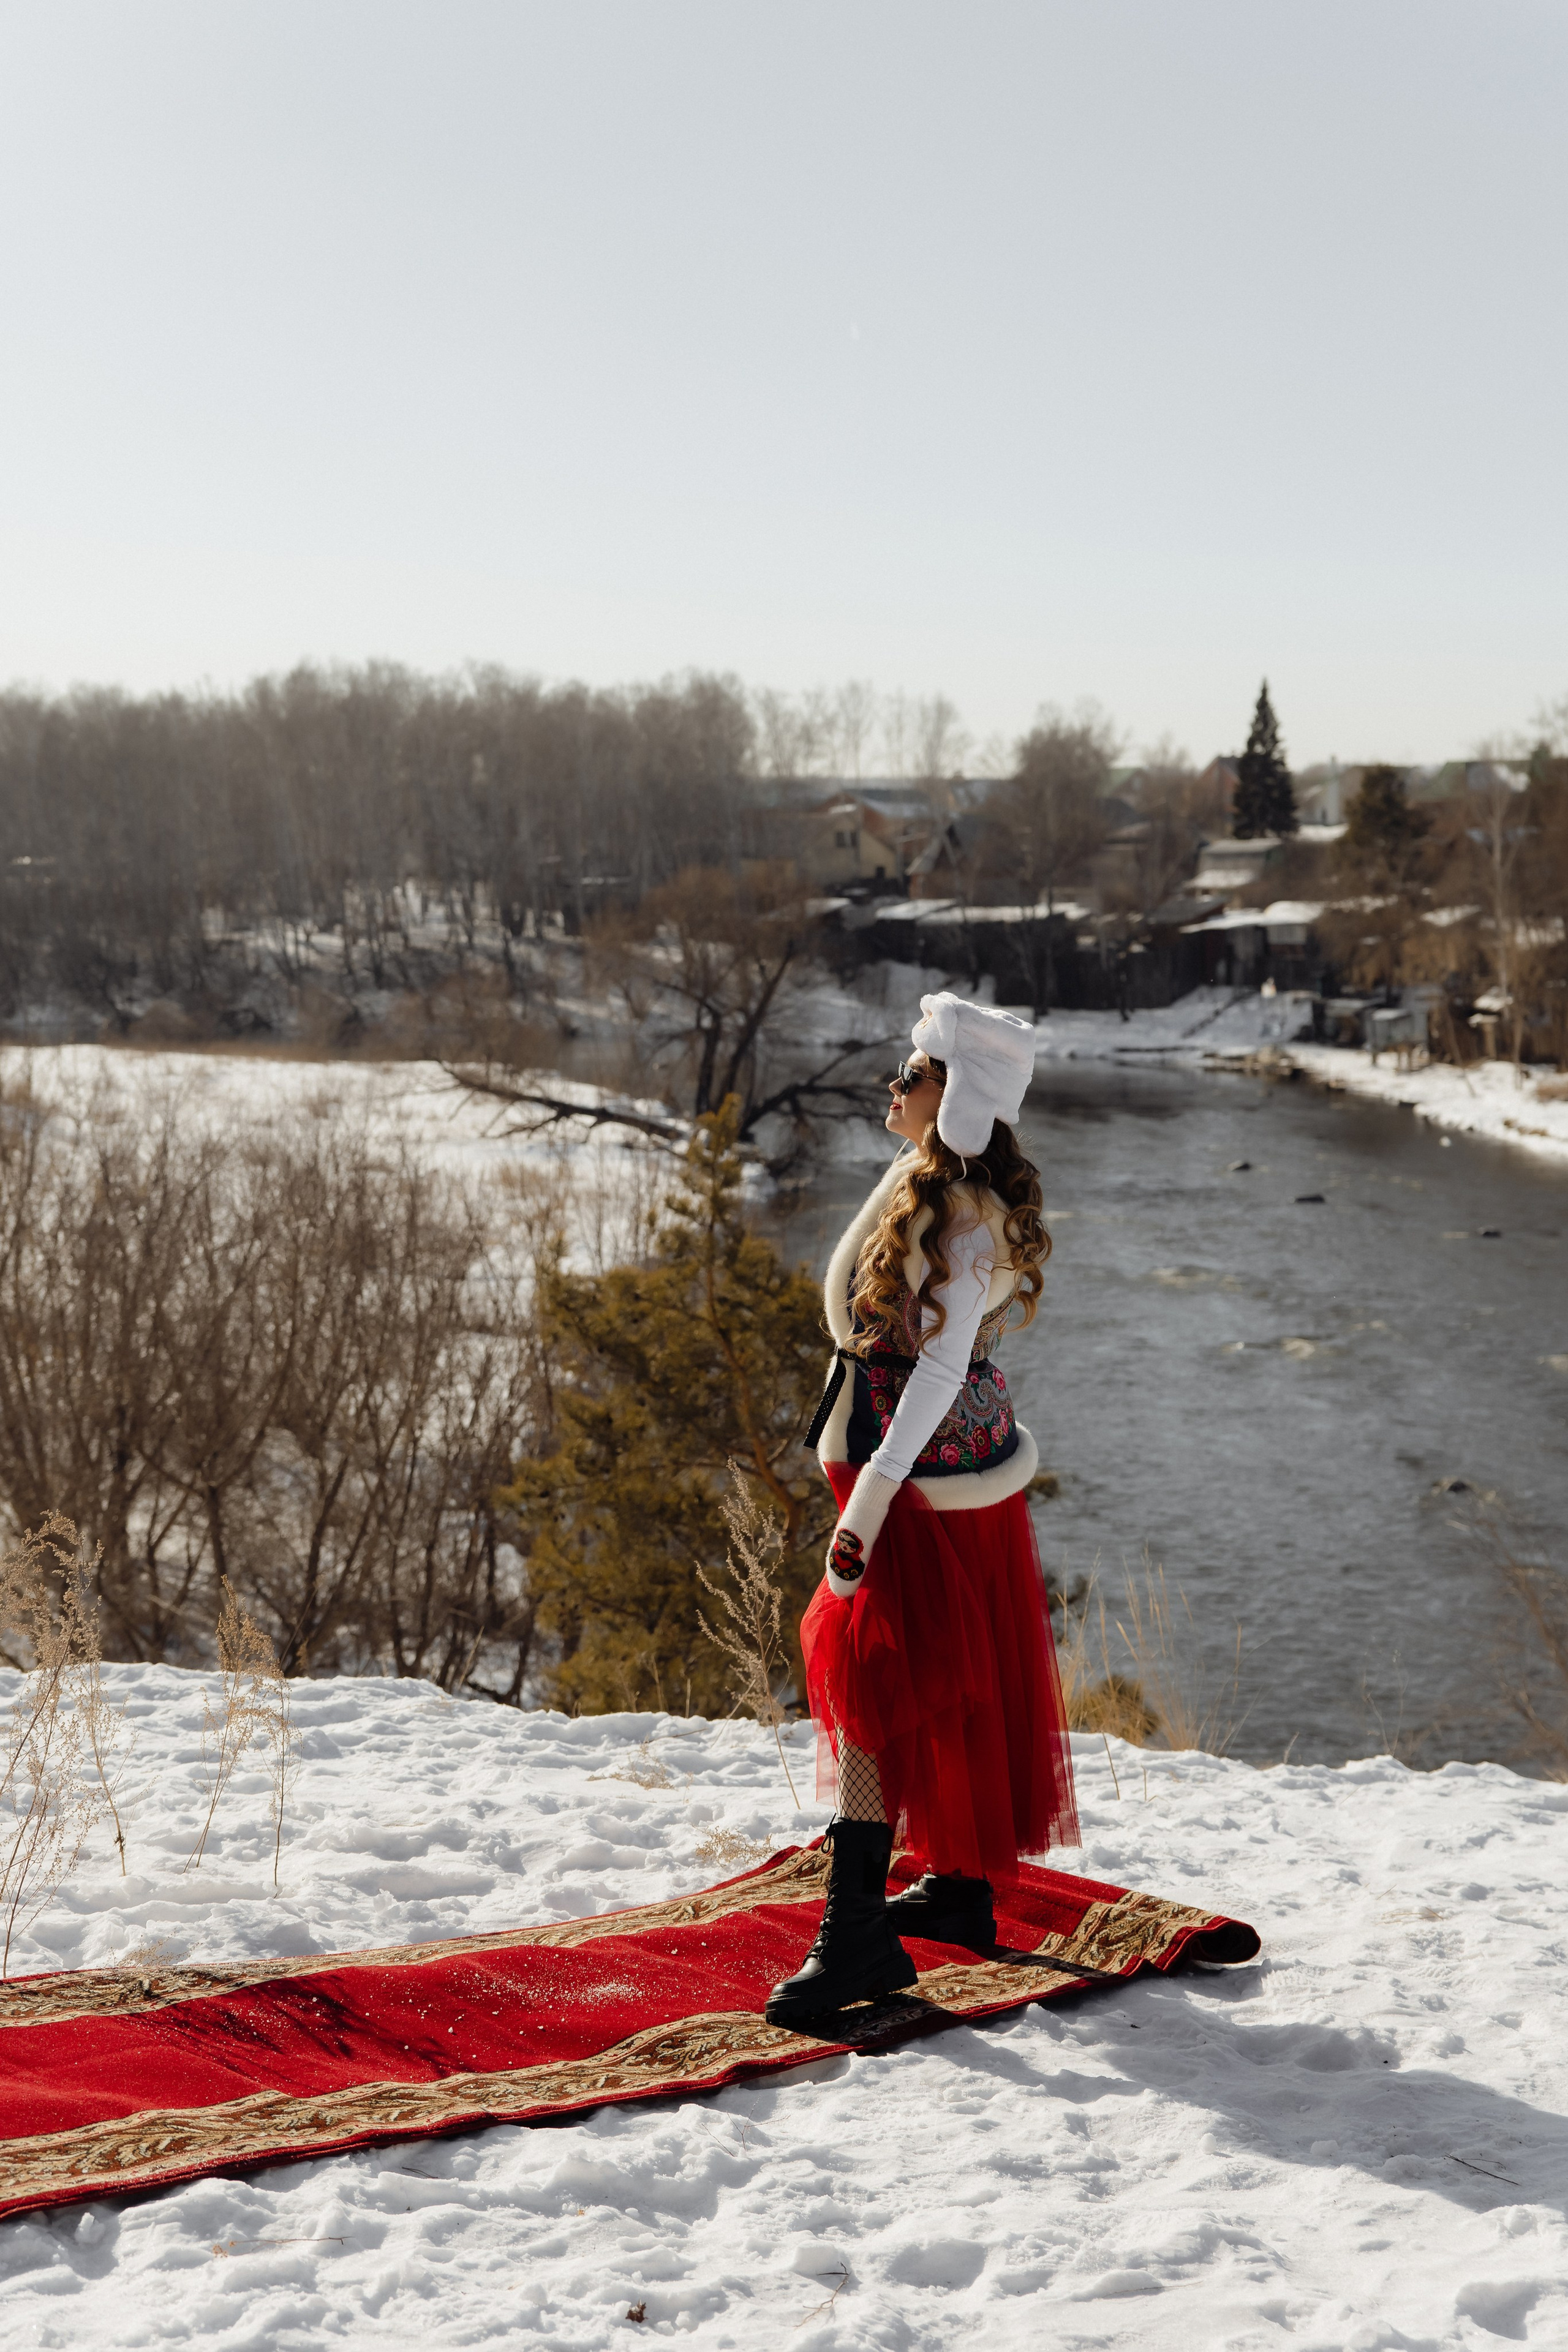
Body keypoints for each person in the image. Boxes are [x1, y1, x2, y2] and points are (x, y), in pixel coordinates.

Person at [767, 992, 1080, 2027]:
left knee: (876, 1677)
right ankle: (959, 1885)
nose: (893, 1085)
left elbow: (939, 1372)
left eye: (915, 1074)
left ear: (957, 1101)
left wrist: (872, 1506)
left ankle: (854, 1935)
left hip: (918, 1474)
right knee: (946, 1667)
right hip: (918, 1461)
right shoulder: (929, 1180)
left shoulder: (963, 1217)